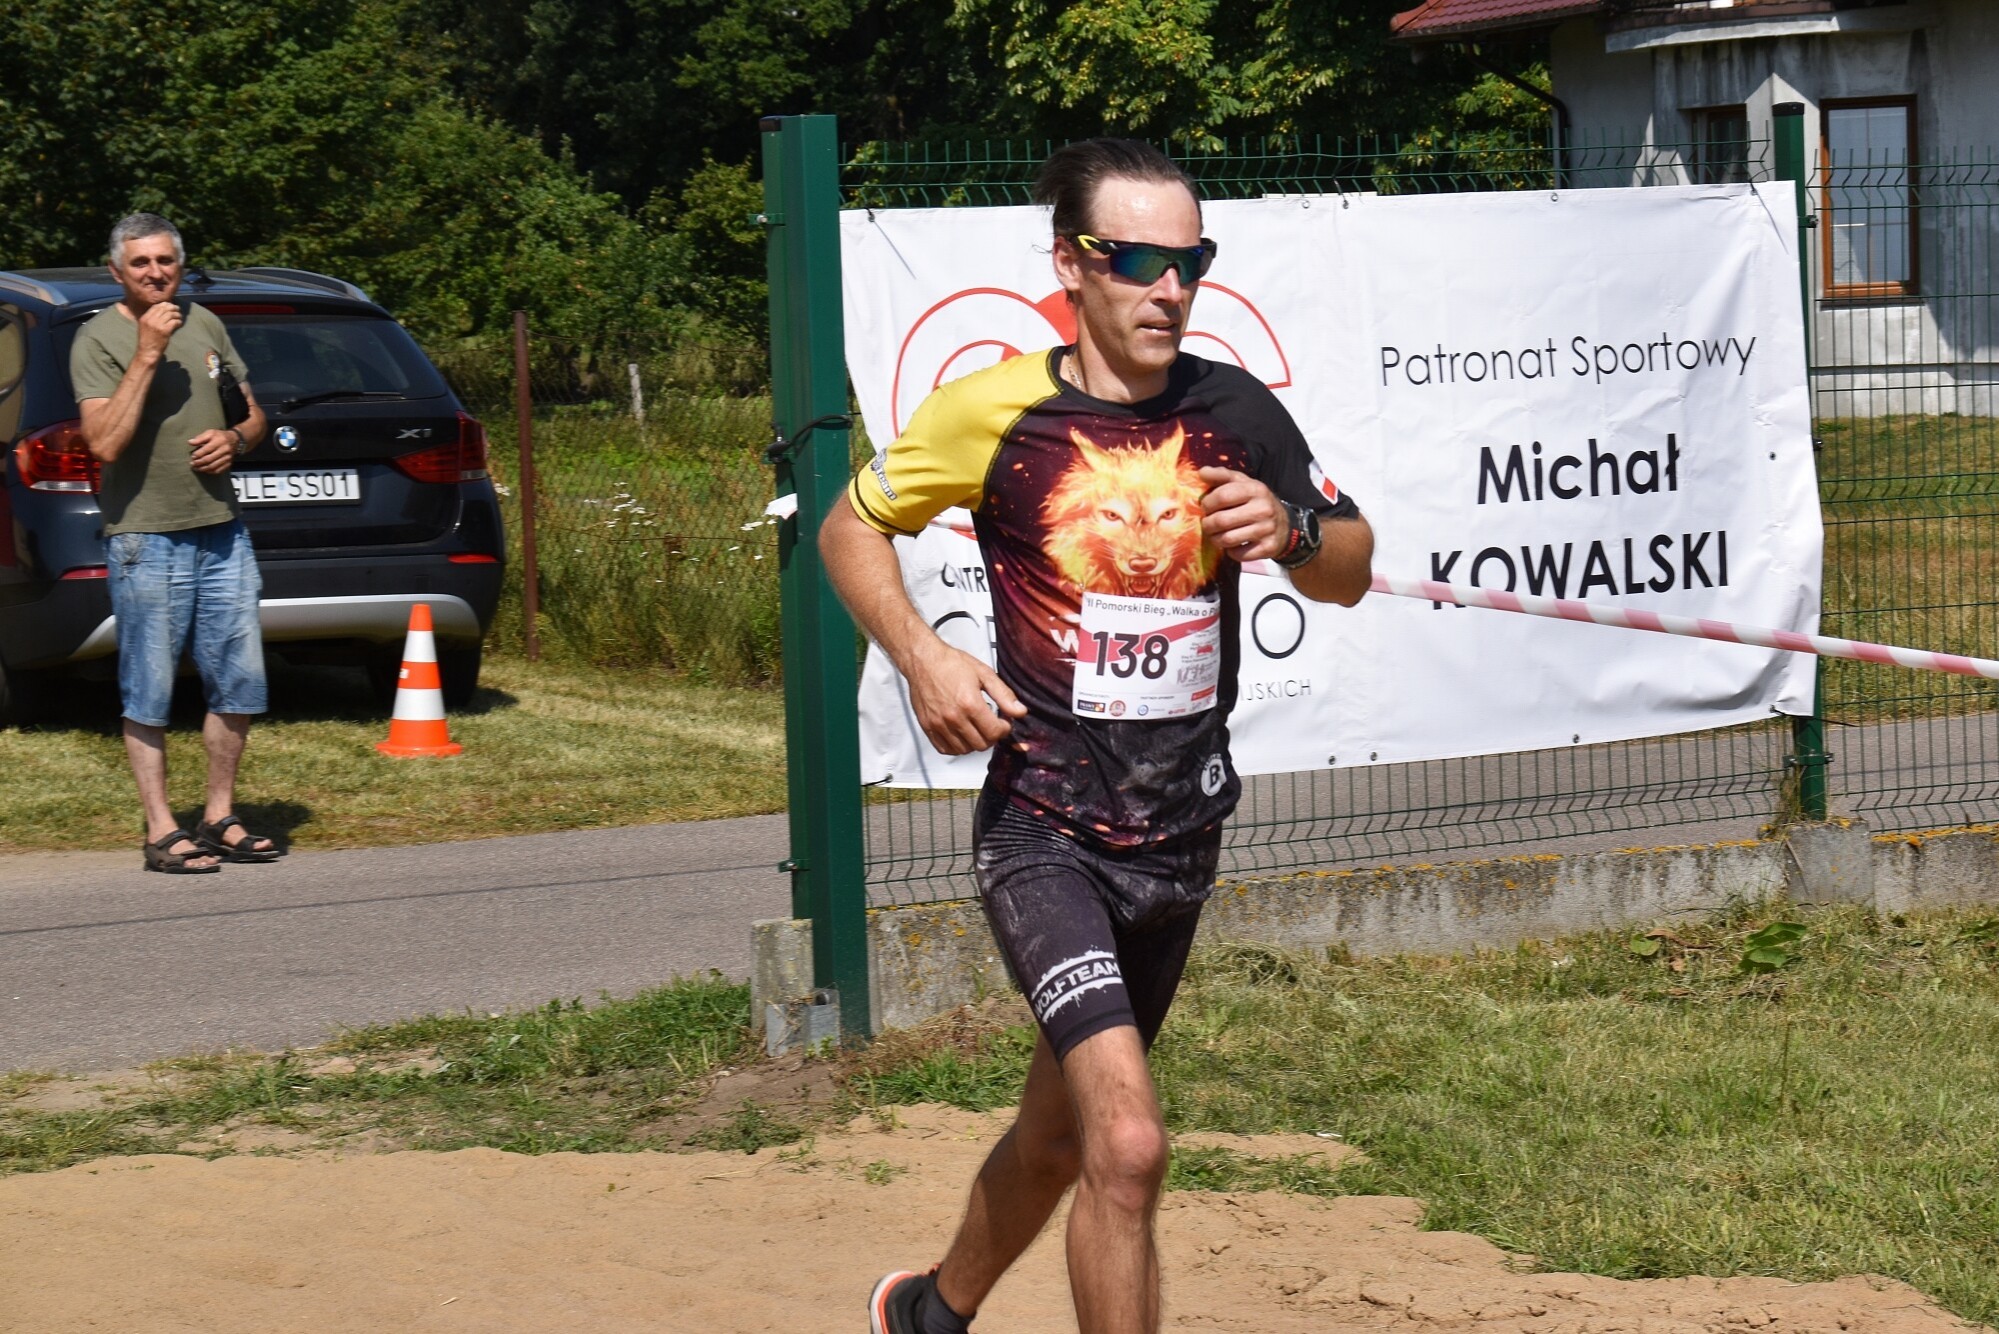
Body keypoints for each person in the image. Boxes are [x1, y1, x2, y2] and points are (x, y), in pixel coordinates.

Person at [822, 140, 1375, 1334]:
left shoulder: (1233, 410)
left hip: (1177, 834)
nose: (1167, 290)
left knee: (1061, 1136)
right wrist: (923, 656)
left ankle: (927, 1311)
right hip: (1046, 833)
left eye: (1189, 262)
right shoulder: (995, 413)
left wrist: (1290, 529)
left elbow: (1351, 564)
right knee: (1127, 1142)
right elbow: (848, 527)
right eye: (1134, 262)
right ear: (1071, 264)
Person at [72, 213, 284, 873]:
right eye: (141, 263)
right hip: (146, 537)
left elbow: (252, 414)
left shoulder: (207, 323)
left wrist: (235, 439)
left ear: (181, 266)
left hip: (221, 531)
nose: (156, 273)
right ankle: (161, 829)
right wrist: (146, 351)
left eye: (165, 261)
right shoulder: (96, 339)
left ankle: (219, 816)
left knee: (239, 682)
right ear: (116, 272)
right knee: (150, 688)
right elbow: (105, 443)